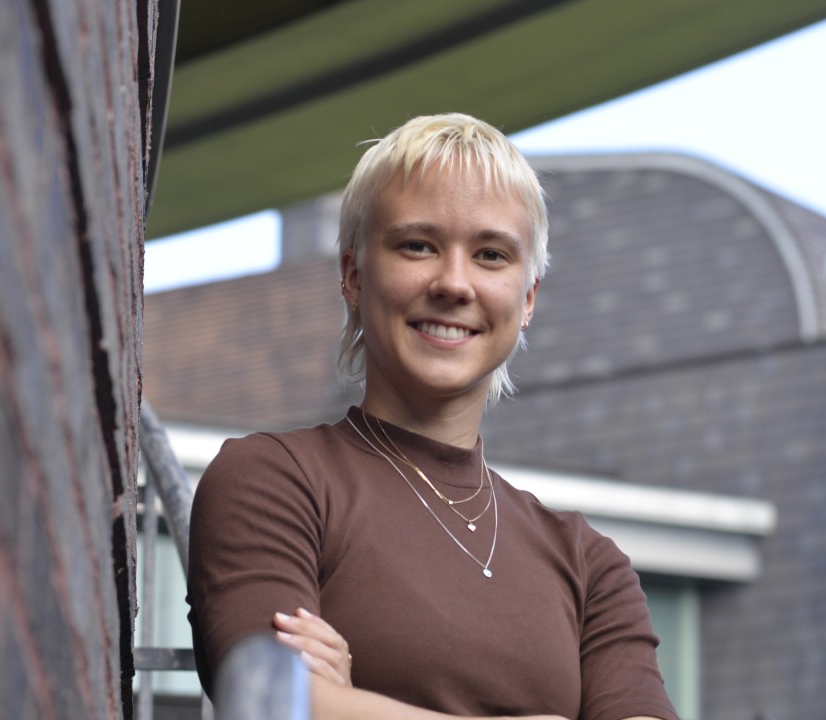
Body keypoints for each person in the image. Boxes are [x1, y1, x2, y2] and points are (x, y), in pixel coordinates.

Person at [187, 113, 678, 720]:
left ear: (527, 301)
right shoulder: (274, 480)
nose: (453, 283)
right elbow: (272, 704)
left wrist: (348, 703)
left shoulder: (589, 564)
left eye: (491, 255)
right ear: (354, 275)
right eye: (417, 245)